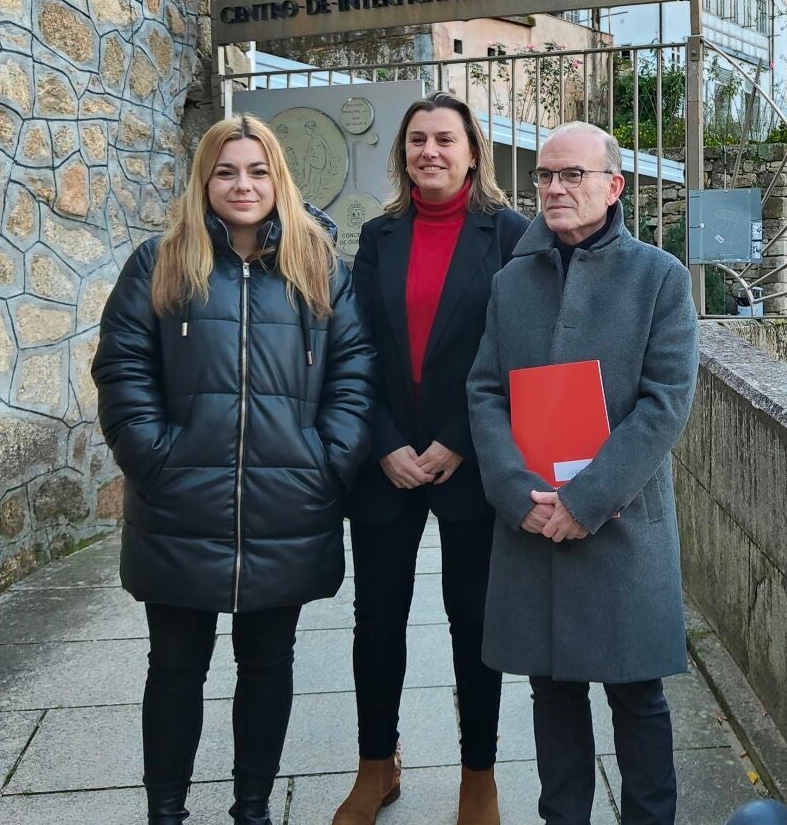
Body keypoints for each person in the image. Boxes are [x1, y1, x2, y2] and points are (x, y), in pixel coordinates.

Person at [93, 115, 376, 825]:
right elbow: (123, 370)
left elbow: (354, 372)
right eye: (226, 171)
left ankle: (252, 809)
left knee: (269, 665)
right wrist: (156, 458)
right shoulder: (160, 262)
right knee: (175, 667)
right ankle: (166, 812)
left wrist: (325, 462)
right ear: (204, 181)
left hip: (288, 503)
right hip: (179, 504)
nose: (242, 185)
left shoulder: (318, 266)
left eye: (257, 170)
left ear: (278, 178)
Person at [466, 121, 700, 825]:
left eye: (573, 174)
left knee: (638, 694)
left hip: (623, 524)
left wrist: (587, 499)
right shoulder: (511, 282)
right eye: (546, 175)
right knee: (552, 691)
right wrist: (517, 494)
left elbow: (665, 404)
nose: (556, 188)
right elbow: (485, 391)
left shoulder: (660, 277)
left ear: (613, 185)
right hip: (534, 519)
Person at [334, 94, 528, 825]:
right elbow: (357, 347)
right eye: (418, 140)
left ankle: (479, 775)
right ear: (403, 154)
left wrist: (460, 437)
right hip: (385, 461)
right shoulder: (379, 236)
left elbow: (518, 349)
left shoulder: (509, 234)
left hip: (470, 458)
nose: (430, 151)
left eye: (445, 139)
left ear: (473, 151)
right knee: (377, 620)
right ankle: (375, 766)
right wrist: (382, 439)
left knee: (473, 620)